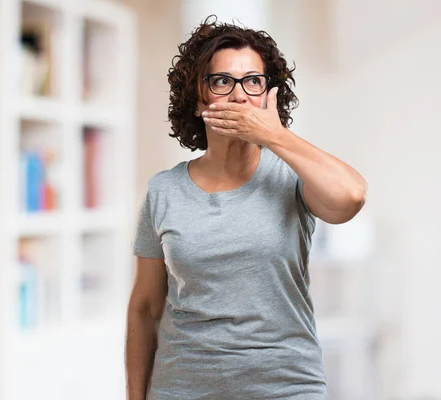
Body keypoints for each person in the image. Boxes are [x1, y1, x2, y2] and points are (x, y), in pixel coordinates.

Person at [125, 16, 368, 400]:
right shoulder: (164, 190)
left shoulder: (293, 178)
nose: (239, 96)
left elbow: (351, 197)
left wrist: (275, 135)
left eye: (253, 81)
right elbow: (145, 306)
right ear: (198, 96)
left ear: (269, 95)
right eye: (222, 81)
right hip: (182, 388)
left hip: (287, 387)